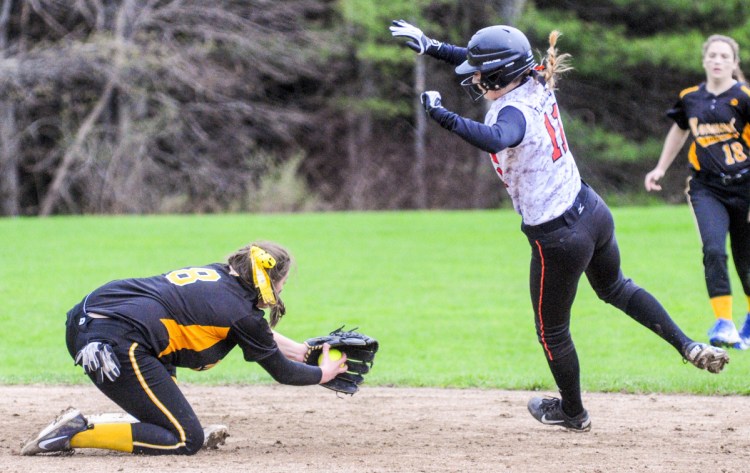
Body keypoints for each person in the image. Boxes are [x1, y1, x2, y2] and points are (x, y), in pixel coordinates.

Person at [390, 20, 730, 432]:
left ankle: (573, 412)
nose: (475, 77)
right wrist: (432, 45)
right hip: (592, 210)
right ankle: (687, 344)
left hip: (558, 237)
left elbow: (497, 138)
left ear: (500, 75)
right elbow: (484, 60)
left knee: (551, 331)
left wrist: (440, 114)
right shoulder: (534, 79)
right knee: (617, 287)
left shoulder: (512, 112)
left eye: (481, 74)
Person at [21, 241, 348, 456]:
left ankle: (132, 419)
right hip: (113, 345)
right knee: (185, 439)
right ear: (267, 279)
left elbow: (256, 334)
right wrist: (324, 372)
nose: (282, 288)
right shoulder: (242, 315)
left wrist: (302, 350)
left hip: (89, 321)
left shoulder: (220, 277)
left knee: (166, 352)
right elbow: (281, 370)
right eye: (283, 282)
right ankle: (73, 434)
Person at [644, 34, 750, 350]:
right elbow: (679, 130)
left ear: (734, 62)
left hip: (745, 186)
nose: (718, 61)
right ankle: (724, 323)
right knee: (714, 249)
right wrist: (660, 168)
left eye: (724, 56)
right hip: (706, 188)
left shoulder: (744, 97)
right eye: (713, 55)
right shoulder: (691, 97)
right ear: (704, 60)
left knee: (746, 262)